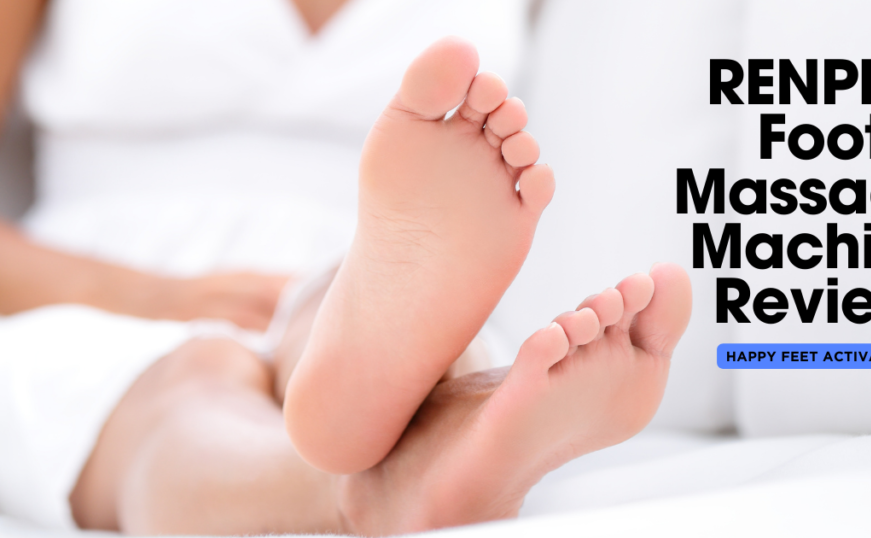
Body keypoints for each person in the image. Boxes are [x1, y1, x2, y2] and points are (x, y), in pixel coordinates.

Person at [0, 2, 692, 535]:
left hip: (375, 257)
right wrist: (147, 293)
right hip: (95, 278)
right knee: (195, 377)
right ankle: (402, 458)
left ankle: (399, 397)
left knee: (341, 299)